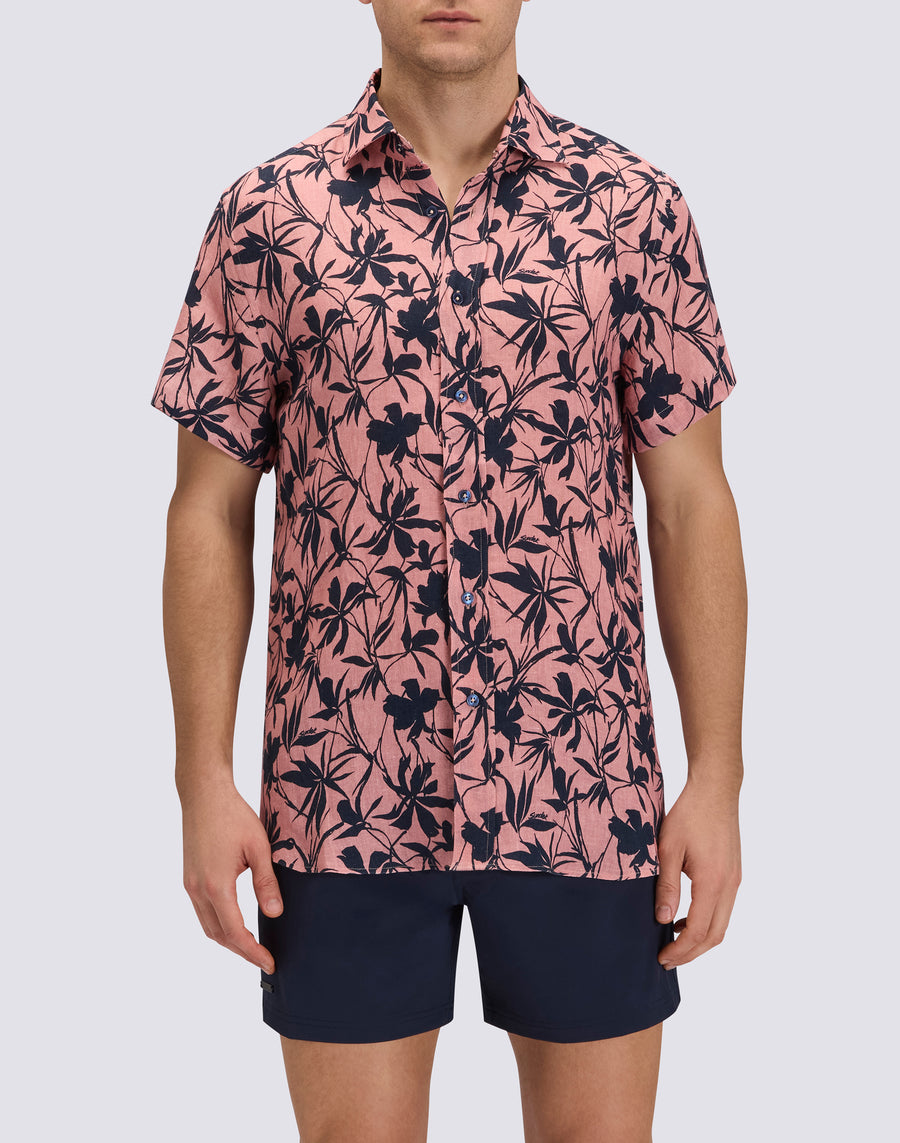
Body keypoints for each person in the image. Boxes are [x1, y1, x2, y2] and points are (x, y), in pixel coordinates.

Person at [150, 1, 746, 1139]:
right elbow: (208, 510)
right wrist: (200, 780)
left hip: (580, 780)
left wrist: (717, 775)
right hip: (340, 791)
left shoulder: (632, 209)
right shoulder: (268, 215)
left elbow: (691, 504)